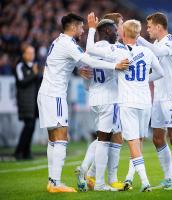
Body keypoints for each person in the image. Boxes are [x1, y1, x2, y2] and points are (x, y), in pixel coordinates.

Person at [37, 13, 129, 193]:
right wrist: (114, 66)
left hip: (46, 93)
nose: (82, 30)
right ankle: (56, 183)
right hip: (55, 95)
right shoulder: (68, 43)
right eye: (81, 27)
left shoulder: (58, 41)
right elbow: (89, 60)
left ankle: (52, 181)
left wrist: (79, 72)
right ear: (73, 27)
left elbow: (64, 64)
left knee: (53, 140)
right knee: (61, 137)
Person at [86, 15, 164, 191]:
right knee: (140, 141)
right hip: (145, 103)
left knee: (133, 144)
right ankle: (131, 178)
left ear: (124, 33)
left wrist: (92, 28)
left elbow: (90, 49)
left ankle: (145, 183)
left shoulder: (117, 51)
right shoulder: (147, 52)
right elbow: (161, 73)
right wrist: (144, 80)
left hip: (127, 103)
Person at [137, 12, 172, 190]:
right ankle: (169, 178)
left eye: (149, 27)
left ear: (159, 27)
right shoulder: (156, 43)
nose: (147, 30)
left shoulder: (171, 41)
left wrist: (138, 37)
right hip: (158, 97)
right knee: (157, 138)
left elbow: (156, 52)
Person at [77, 13, 125, 191]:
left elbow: (86, 80)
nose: (116, 33)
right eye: (114, 29)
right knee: (104, 141)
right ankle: (98, 182)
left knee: (102, 138)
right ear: (106, 30)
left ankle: (89, 173)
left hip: (95, 98)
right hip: (109, 99)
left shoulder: (91, 50)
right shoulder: (111, 50)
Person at [14, 45, 39, 160]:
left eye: (32, 53)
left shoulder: (34, 66)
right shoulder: (20, 66)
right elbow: (21, 82)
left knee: (31, 126)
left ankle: (26, 152)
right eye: (29, 53)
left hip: (34, 101)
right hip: (25, 101)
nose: (31, 55)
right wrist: (34, 74)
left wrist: (39, 75)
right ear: (23, 54)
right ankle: (19, 151)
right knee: (29, 125)